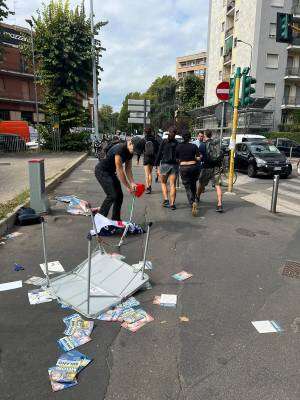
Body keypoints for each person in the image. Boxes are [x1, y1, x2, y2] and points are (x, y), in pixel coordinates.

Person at [95, 139, 137, 221]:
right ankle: (100, 219)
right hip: (102, 171)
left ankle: (116, 219)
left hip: (110, 172)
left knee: (119, 196)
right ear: (130, 143)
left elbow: (128, 169)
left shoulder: (130, 152)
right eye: (134, 150)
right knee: (112, 195)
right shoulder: (120, 149)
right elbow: (119, 170)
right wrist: (128, 187)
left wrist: (132, 182)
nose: (134, 152)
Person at [197, 130, 224, 213]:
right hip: (216, 168)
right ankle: (219, 204)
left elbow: (200, 157)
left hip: (206, 168)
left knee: (201, 184)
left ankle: (197, 197)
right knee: (217, 185)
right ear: (211, 135)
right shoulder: (216, 144)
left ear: (205, 135)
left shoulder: (202, 145)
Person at [176, 132, 201, 216]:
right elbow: (198, 158)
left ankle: (192, 203)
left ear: (182, 138)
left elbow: (176, 159)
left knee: (187, 186)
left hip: (183, 168)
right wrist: (196, 157)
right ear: (190, 138)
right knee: (193, 184)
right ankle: (194, 200)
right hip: (193, 167)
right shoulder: (194, 146)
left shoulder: (179, 146)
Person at [155, 126, 179, 210]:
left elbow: (159, 154)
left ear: (168, 132)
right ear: (175, 134)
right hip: (174, 166)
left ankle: (166, 200)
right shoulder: (177, 143)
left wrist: (156, 165)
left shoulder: (164, 142)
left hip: (164, 165)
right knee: (173, 185)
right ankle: (172, 204)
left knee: (163, 183)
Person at [134, 127, 159, 194]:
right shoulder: (154, 140)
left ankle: (147, 188)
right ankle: (150, 187)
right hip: (152, 158)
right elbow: (157, 149)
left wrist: (138, 160)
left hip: (146, 158)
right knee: (150, 173)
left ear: (145, 132)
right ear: (151, 132)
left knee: (146, 174)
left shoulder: (143, 140)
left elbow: (139, 150)